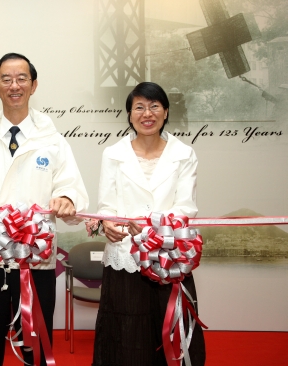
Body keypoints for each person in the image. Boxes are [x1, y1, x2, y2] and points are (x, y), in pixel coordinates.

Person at [0, 52, 89, 366]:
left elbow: (71, 187)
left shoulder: (54, 142)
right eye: (5, 79)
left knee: (35, 340)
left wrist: (67, 200)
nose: (14, 85)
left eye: (22, 78)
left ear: (34, 85)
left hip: (35, 256)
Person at [86, 82, 205, 365]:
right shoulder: (113, 154)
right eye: (139, 107)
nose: (147, 113)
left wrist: (154, 231)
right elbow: (106, 206)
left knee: (172, 334)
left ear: (165, 112)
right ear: (129, 114)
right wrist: (108, 224)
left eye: (154, 106)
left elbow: (186, 207)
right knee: (125, 336)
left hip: (170, 258)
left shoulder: (184, 154)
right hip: (125, 257)